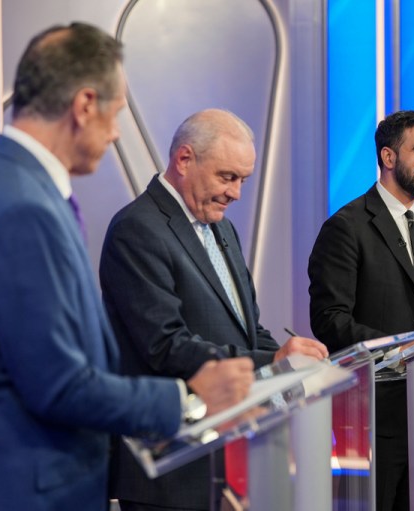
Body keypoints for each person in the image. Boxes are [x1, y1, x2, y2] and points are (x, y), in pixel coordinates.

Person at [0, 23, 254, 511]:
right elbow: (58, 383)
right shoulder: (20, 205)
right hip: (16, 490)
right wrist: (190, 399)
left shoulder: (7, 184)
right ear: (85, 104)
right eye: (115, 116)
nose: (116, 134)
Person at [99, 108, 329, 510]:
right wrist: (270, 361)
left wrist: (288, 366)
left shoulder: (221, 226)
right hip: (168, 469)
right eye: (227, 177)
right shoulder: (136, 229)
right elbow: (166, 346)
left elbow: (248, 329)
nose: (236, 193)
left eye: (243, 180)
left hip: (225, 461)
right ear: (184, 160)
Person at [307, 110, 414, 511]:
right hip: (371, 414)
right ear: (389, 157)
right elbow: (330, 320)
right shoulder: (346, 226)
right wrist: (406, 345)